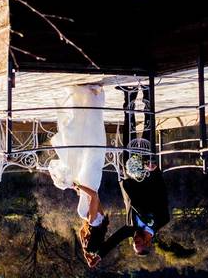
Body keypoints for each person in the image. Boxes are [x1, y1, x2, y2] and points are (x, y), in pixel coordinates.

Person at [46, 84, 108, 254]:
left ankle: (91, 98)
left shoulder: (99, 221)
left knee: (90, 143)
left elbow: (93, 196)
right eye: (87, 241)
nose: (84, 240)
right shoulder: (93, 220)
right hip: (88, 180)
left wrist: (80, 190)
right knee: (82, 147)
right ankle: (85, 99)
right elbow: (94, 196)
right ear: (91, 238)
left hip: (93, 179)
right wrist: (77, 186)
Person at [84, 163, 170, 267]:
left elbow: (112, 242)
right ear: (147, 242)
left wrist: (98, 257)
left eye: (134, 243)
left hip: (126, 176)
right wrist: (155, 171)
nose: (134, 240)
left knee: (125, 149)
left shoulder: (130, 228)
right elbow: (162, 193)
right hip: (146, 173)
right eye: (138, 242)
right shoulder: (163, 219)